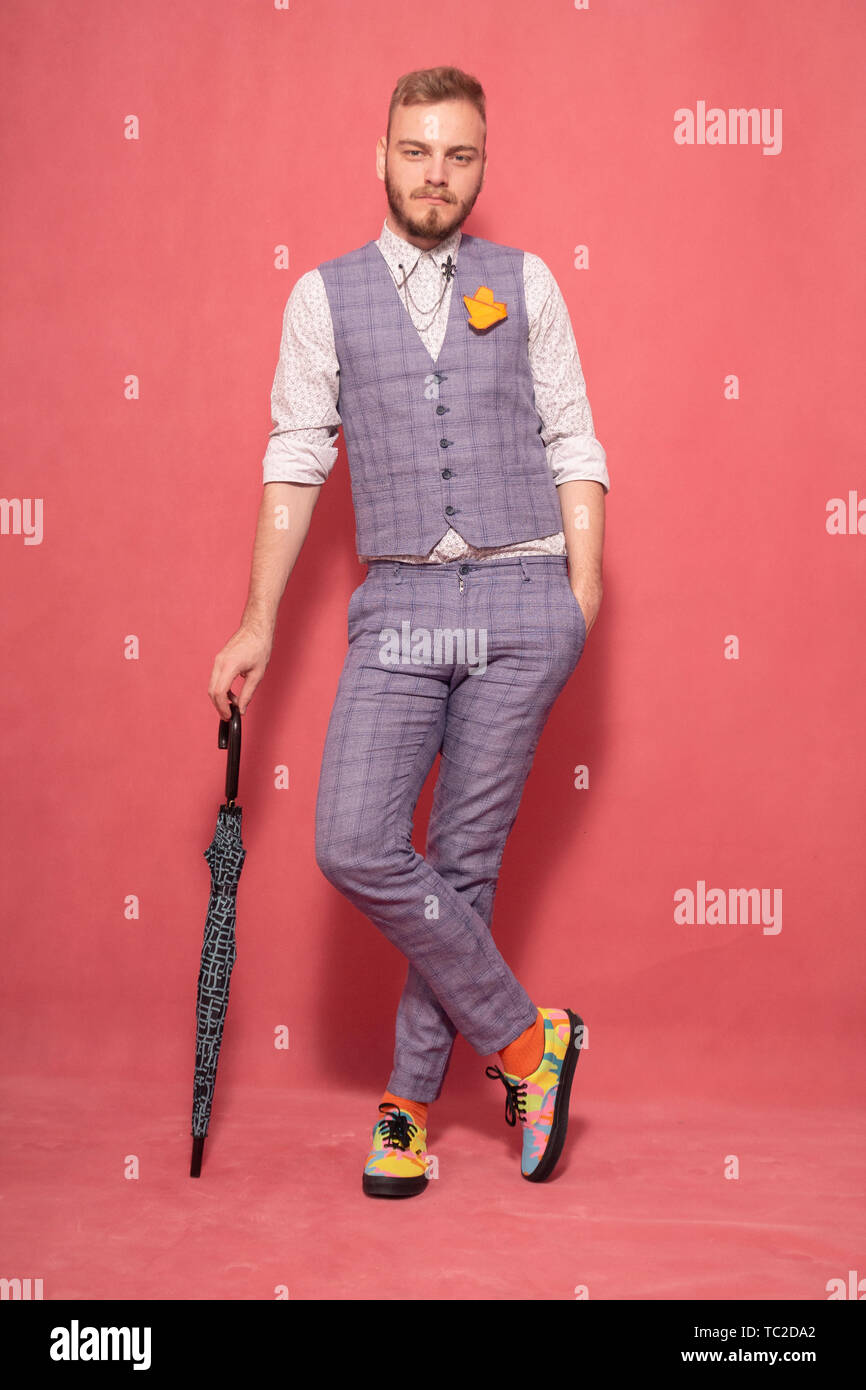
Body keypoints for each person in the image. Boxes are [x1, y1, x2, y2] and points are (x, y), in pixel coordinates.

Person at [208, 65, 609, 1199]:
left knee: (465, 864)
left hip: (526, 594)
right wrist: (256, 625)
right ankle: (531, 1042)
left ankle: (403, 1111)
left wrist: (580, 598)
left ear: (483, 164)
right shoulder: (320, 298)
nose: (436, 174)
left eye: (459, 155)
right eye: (416, 150)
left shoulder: (523, 283)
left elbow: (574, 439)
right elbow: (295, 461)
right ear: (378, 155)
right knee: (355, 842)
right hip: (401, 606)